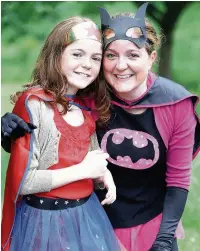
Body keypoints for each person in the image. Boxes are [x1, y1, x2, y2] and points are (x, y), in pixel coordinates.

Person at [2, 3, 200, 251]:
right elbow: (44, 135)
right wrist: (10, 131)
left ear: (151, 58)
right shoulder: (90, 95)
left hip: (146, 219)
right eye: (110, 56)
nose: (120, 66)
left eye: (133, 55)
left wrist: (164, 238)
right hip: (92, 218)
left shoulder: (174, 104)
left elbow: (179, 179)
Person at [1, 17, 121, 251]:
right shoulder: (35, 104)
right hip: (45, 221)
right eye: (77, 54)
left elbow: (92, 155)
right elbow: (25, 180)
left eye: (95, 58)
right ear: (56, 56)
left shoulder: (84, 108)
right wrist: (84, 171)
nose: (87, 64)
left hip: (85, 215)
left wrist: (103, 173)